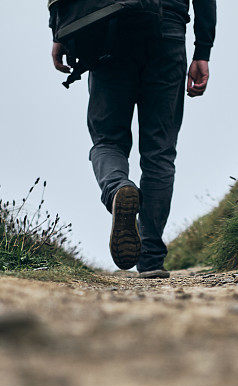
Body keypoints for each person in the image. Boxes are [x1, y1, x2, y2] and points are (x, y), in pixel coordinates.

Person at [52, 0, 216, 279]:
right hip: (168, 31)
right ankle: (150, 258)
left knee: (107, 140)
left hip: (111, 28)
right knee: (160, 152)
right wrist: (203, 51)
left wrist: (60, 32)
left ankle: (117, 189)